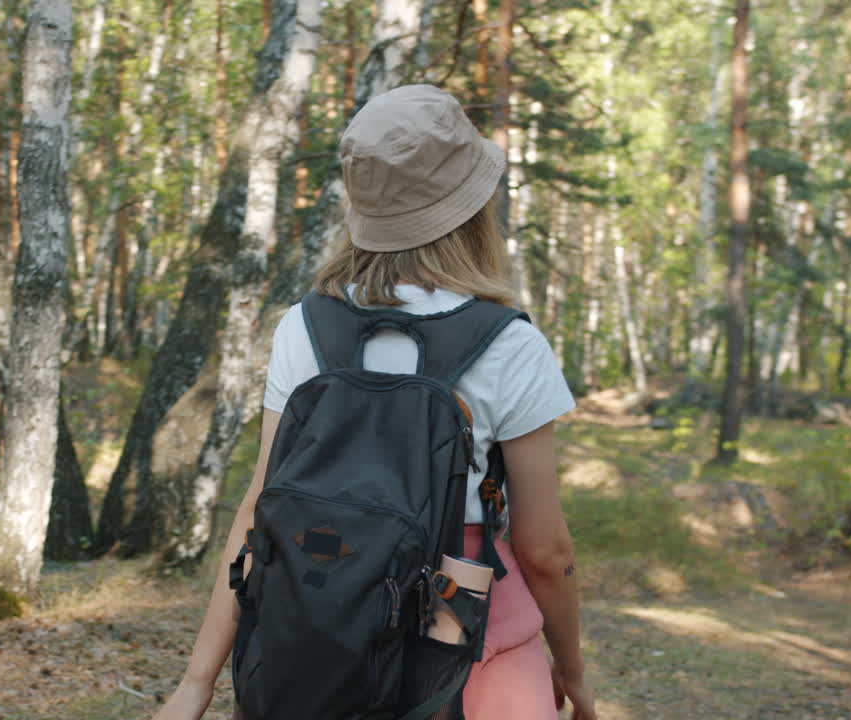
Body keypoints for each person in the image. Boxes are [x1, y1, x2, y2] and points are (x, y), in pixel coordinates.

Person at [153, 84, 597, 720]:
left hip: (322, 633)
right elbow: (544, 549)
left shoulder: (305, 327)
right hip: (470, 639)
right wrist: (572, 669)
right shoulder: (509, 343)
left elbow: (257, 510)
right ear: (471, 210)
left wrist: (196, 683)